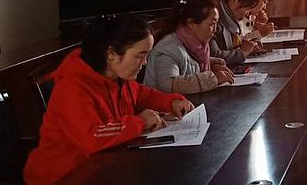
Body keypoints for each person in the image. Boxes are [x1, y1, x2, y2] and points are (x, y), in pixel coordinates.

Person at [24, 14, 195, 185]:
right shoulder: (72, 86)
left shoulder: (118, 77)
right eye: (139, 55)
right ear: (112, 54)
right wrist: (140, 122)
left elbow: (142, 95)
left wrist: (171, 102)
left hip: (104, 166)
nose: (144, 62)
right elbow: (93, 137)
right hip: (64, 176)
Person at [145, 0, 235, 94]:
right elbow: (169, 83)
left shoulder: (197, 45)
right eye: (212, 24)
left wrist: (212, 66)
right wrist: (213, 78)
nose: (216, 30)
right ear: (191, 24)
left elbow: (189, 63)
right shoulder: (167, 50)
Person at [211, 0, 263, 67]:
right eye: (247, 9)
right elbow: (214, 56)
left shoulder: (231, 20)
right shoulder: (213, 19)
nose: (248, 14)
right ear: (234, 1)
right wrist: (242, 52)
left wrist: (248, 48)